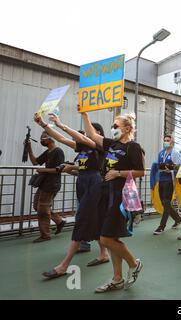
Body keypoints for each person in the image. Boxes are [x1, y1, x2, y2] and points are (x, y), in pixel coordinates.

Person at [33, 114, 109, 279]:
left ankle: (64, 265)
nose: (89, 133)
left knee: (81, 219)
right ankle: (104, 254)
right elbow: (60, 138)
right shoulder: (82, 148)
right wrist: (44, 125)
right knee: (94, 221)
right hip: (82, 183)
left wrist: (61, 124)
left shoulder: (100, 146)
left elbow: (80, 136)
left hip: (94, 184)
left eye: (92, 131)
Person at [82, 112, 145, 293]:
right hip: (105, 194)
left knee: (106, 238)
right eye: (113, 125)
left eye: (116, 126)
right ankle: (117, 278)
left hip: (120, 197)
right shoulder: (112, 144)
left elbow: (140, 172)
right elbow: (93, 135)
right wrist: (84, 114)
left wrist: (119, 173)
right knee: (111, 237)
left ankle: (134, 264)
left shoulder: (133, 147)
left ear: (127, 128)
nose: (113, 128)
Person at [25, 128, 66, 243]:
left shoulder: (58, 151)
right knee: (37, 206)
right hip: (45, 183)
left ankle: (45, 234)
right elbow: (35, 162)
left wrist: (44, 170)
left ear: (50, 138)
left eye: (43, 137)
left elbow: (59, 170)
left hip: (52, 184)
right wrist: (29, 148)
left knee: (42, 209)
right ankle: (59, 221)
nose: (41, 140)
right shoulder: (48, 152)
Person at [153, 134, 181, 235]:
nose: (166, 142)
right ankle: (178, 219)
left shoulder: (175, 154)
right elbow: (158, 165)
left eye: (168, 140)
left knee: (166, 203)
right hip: (161, 179)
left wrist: (170, 170)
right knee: (164, 203)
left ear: (172, 142)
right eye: (165, 140)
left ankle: (161, 226)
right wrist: (161, 168)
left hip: (170, 181)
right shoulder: (161, 153)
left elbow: (180, 168)